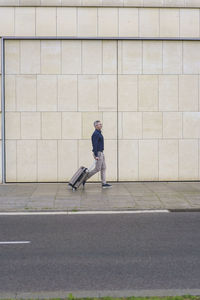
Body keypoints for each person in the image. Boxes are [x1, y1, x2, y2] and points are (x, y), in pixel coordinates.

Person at [82, 120, 112, 188]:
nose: (101, 125)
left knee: (104, 168)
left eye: (101, 124)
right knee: (97, 169)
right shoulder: (95, 134)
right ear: (96, 126)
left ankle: (104, 183)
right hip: (98, 153)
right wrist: (95, 155)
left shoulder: (99, 133)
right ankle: (84, 179)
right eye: (99, 124)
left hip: (101, 152)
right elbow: (94, 145)